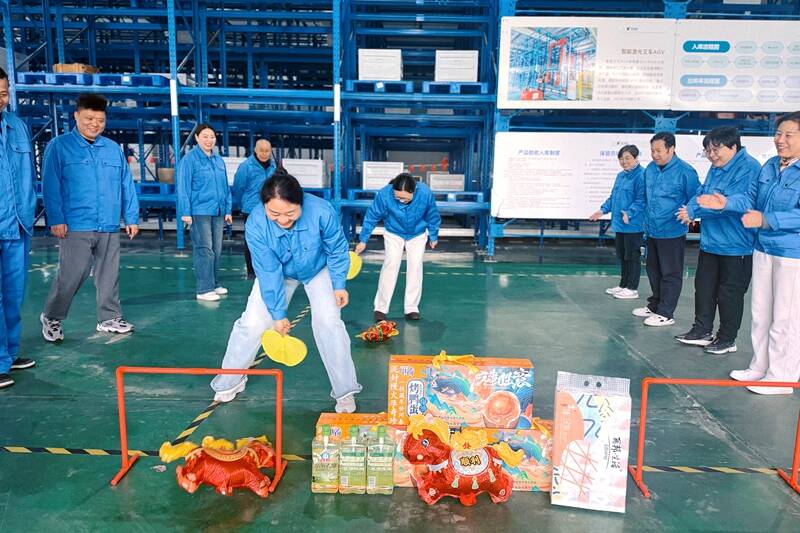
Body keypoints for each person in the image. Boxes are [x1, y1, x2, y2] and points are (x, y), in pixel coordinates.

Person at [211, 169, 361, 412]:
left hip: (318, 269)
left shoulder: (322, 211)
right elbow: (268, 270)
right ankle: (230, 380)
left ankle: (345, 391)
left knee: (329, 324)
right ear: (264, 207)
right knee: (251, 324)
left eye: (290, 213)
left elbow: (336, 249)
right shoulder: (257, 223)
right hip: (279, 272)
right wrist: (277, 313)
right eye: (274, 213)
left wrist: (338, 284)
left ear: (301, 202)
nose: (282, 220)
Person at [697, 111, 800, 395]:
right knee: (761, 313)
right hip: (763, 247)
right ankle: (760, 367)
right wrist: (726, 203)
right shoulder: (770, 166)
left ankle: (781, 378)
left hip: (792, 253)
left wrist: (767, 220)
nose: (780, 140)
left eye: (788, 135)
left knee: (785, 318)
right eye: (778, 134)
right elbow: (750, 198)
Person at [40, 93, 139, 343]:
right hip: (75, 223)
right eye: (89, 118)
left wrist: (131, 217)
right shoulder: (60, 146)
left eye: (100, 120)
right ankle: (52, 316)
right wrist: (56, 218)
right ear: (76, 116)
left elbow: (126, 184)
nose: (95, 124)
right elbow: (50, 185)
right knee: (74, 273)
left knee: (109, 273)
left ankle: (109, 317)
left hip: (108, 222)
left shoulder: (112, 149)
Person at [675, 127, 760, 355]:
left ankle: (727, 338)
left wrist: (695, 212)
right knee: (704, 288)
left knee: (729, 294)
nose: (712, 155)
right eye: (708, 151)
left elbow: (737, 203)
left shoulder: (749, 168)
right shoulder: (717, 167)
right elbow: (703, 193)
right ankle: (702, 330)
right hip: (711, 242)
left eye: (716, 149)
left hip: (736, 245)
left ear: (733, 147)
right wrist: (690, 208)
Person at [632, 132, 700, 327]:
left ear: (672, 149)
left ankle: (666, 313)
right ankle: (655, 305)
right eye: (652, 150)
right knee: (653, 270)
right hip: (652, 230)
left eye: (659, 151)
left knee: (670, 273)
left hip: (672, 230)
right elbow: (646, 197)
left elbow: (696, 196)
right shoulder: (650, 169)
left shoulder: (685, 171)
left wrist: (690, 211)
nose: (655, 155)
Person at [355, 173, 441, 322]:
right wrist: (363, 240)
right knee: (391, 265)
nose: (401, 200)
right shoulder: (384, 195)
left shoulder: (425, 193)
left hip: (417, 233)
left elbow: (432, 215)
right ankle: (380, 309)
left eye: (405, 198)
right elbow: (371, 216)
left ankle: (411, 308)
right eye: (397, 197)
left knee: (415, 267)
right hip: (394, 232)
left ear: (413, 191)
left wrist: (433, 235)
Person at [0, 68, 37, 389]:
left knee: (14, 295)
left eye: (3, 93)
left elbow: (27, 174)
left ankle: (9, 354)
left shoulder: (17, 127)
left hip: (17, 224)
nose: (1, 100)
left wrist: (28, 210)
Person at [176, 123, 233, 302]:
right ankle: (204, 289)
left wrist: (228, 209)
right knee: (204, 249)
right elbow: (183, 187)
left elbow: (225, 187)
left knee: (216, 249)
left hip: (218, 211)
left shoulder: (218, 160)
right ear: (197, 138)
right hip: (199, 211)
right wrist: (185, 212)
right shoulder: (189, 160)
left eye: (212, 137)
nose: (209, 140)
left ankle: (214, 283)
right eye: (205, 137)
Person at [589, 145, 645, 300]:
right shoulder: (621, 176)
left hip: (633, 224)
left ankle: (632, 288)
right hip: (620, 224)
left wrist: (630, 213)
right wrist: (602, 210)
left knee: (632, 256)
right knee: (623, 255)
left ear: (636, 158)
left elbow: (641, 199)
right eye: (621, 159)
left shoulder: (641, 175)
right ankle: (623, 285)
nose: (624, 162)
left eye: (627, 158)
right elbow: (613, 197)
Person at [232, 139, 276, 279]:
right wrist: (244, 203)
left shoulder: (274, 167)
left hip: (269, 209)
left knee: (270, 239)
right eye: (261, 150)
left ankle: (267, 269)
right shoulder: (246, 166)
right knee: (251, 240)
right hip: (251, 209)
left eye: (267, 151)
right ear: (255, 150)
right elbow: (238, 187)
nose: (264, 153)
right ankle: (251, 271)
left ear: (270, 151)